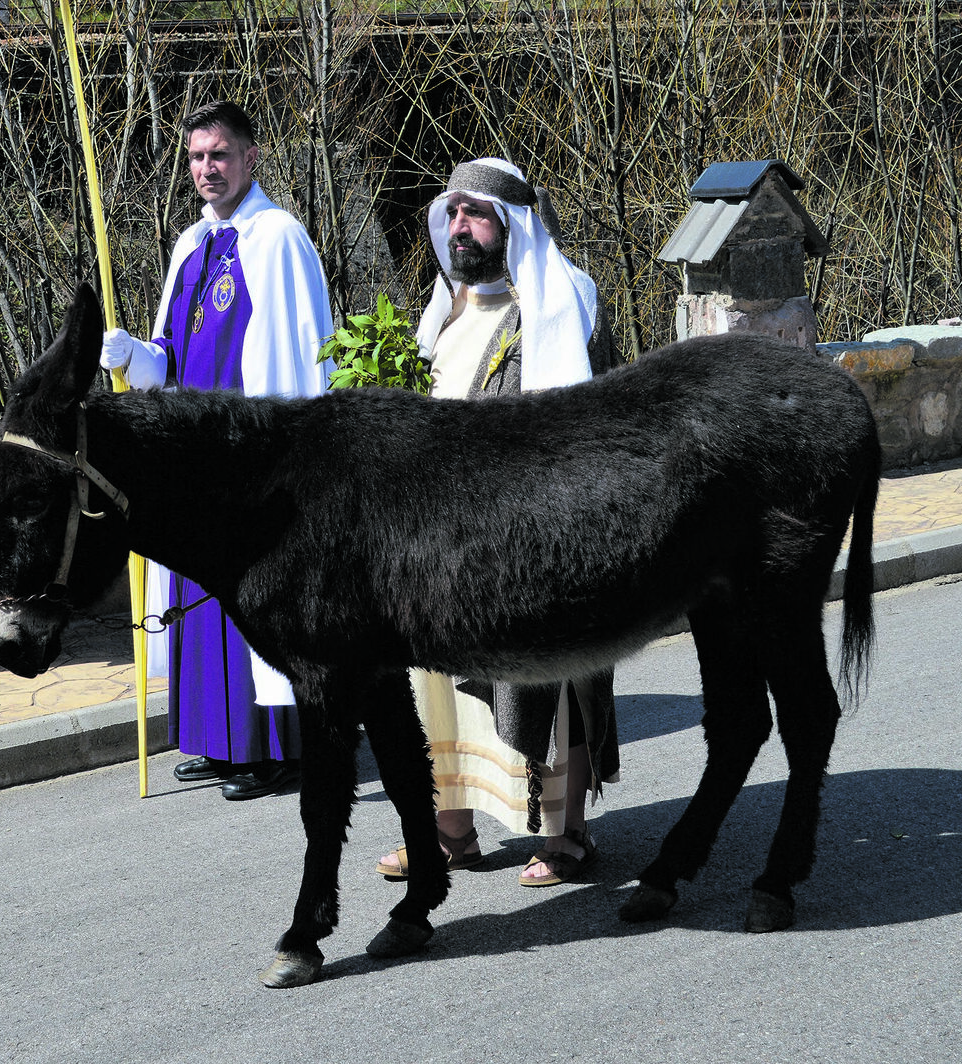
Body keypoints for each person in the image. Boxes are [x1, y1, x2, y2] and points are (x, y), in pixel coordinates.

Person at [375, 157, 620, 884]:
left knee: (556, 680)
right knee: (436, 690)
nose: (459, 229)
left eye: (475, 215)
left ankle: (567, 833)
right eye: (451, 213)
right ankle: (448, 833)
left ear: (512, 226)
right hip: (440, 543)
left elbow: (598, 420)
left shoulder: (562, 302)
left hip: (537, 539)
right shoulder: (445, 307)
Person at [99, 101, 334, 801]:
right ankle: (217, 743)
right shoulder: (189, 246)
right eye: (198, 157)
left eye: (221, 155)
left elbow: (294, 356)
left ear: (251, 158)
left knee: (254, 604)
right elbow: (172, 358)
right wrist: (133, 355)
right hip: (193, 460)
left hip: (249, 460)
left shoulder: (277, 237)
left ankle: (275, 750)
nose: (207, 169)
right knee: (201, 603)